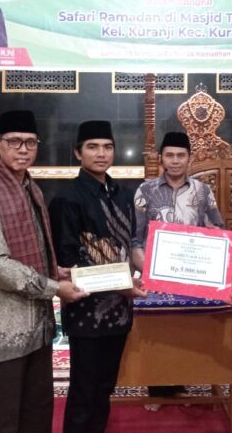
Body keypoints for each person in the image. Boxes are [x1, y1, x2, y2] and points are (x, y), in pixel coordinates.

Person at [0, 110, 87, 433]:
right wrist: (53, 288)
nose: (23, 149)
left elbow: (38, 251)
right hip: (1, 334)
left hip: (36, 330)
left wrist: (56, 272)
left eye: (30, 142)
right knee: (0, 422)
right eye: (14, 141)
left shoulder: (31, 189)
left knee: (35, 417)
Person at [48, 120, 145, 433]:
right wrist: (120, 282)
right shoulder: (67, 198)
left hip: (120, 309)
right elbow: (68, 260)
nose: (101, 153)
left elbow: (128, 245)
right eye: (92, 147)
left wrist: (139, 276)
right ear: (78, 153)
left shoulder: (123, 195)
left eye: (107, 147)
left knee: (105, 387)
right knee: (84, 389)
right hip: (85, 309)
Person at [132, 130, 224, 403]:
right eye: (169, 155)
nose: (175, 161)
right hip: (152, 274)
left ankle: (181, 382)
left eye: (180, 155)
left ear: (189, 158)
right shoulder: (145, 191)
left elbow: (217, 229)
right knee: (156, 334)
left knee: (185, 332)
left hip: (192, 274)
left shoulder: (202, 191)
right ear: (161, 158)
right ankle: (157, 389)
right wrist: (149, 271)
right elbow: (135, 238)